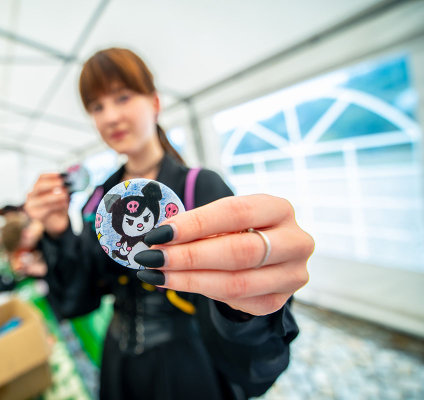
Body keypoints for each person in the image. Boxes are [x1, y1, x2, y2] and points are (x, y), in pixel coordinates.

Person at [26, 48, 313, 400]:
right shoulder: (100, 201)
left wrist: (248, 298)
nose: (110, 116)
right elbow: (79, 300)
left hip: (188, 365)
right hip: (118, 367)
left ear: (155, 102)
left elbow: (245, 309)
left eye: (122, 97)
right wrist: (57, 230)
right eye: (97, 107)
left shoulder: (200, 187)